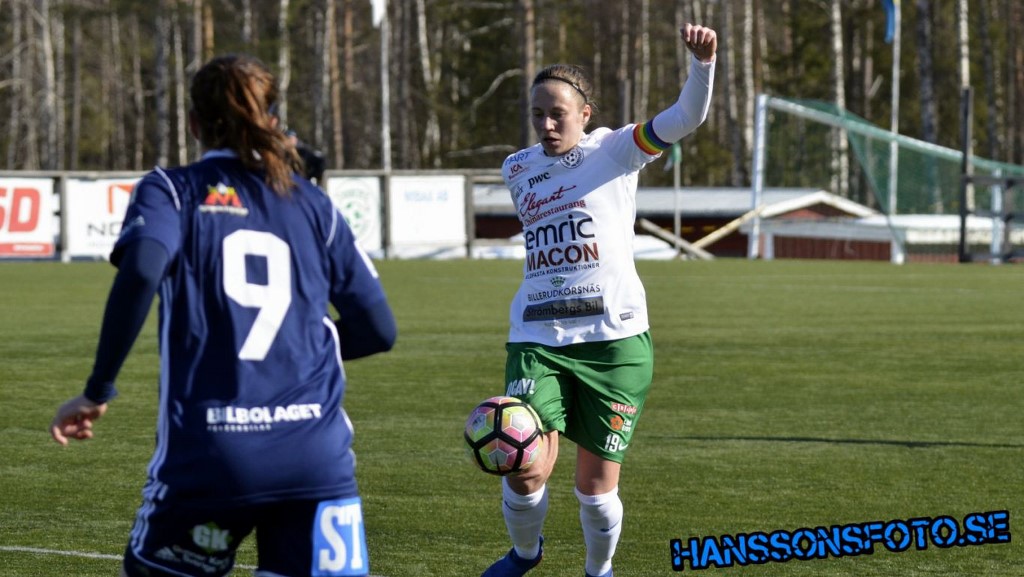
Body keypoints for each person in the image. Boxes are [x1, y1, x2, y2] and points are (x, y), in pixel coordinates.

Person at [49, 54, 396, 577]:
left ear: (193, 123)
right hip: (315, 459)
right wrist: (296, 346)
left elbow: (141, 271)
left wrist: (98, 390)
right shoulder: (313, 202)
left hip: (212, 456)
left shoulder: (173, 190)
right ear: (272, 119)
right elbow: (379, 330)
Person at [483, 23, 717, 577]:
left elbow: (685, 118)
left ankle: (598, 570)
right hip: (537, 336)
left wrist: (702, 65)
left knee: (594, 489)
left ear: (585, 114)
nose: (546, 124)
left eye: (557, 114)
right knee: (523, 467)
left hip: (614, 344)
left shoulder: (615, 150)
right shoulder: (517, 168)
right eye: (537, 113)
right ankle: (524, 555)